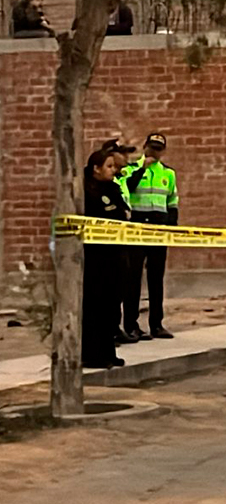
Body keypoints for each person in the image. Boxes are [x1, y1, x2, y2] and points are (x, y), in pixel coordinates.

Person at [122, 133, 178, 340]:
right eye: (151, 147)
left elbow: (173, 202)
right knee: (133, 278)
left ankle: (157, 323)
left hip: (159, 229)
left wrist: (171, 227)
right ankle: (131, 324)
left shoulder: (168, 174)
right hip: (137, 227)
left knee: (156, 278)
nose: (154, 152)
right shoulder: (130, 169)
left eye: (158, 149)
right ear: (144, 147)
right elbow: (126, 189)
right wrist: (141, 168)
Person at [82, 150, 128, 369]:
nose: (113, 170)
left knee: (112, 306)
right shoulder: (86, 190)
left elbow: (124, 213)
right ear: (96, 168)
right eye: (109, 166)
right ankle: (92, 354)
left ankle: (109, 352)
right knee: (95, 306)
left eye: (114, 167)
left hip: (115, 254)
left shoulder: (113, 188)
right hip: (95, 257)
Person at [100, 138, 139, 344]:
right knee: (107, 289)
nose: (126, 158)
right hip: (105, 244)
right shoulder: (103, 182)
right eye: (122, 153)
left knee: (121, 286)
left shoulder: (120, 178)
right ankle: (110, 329)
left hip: (122, 238)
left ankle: (117, 326)